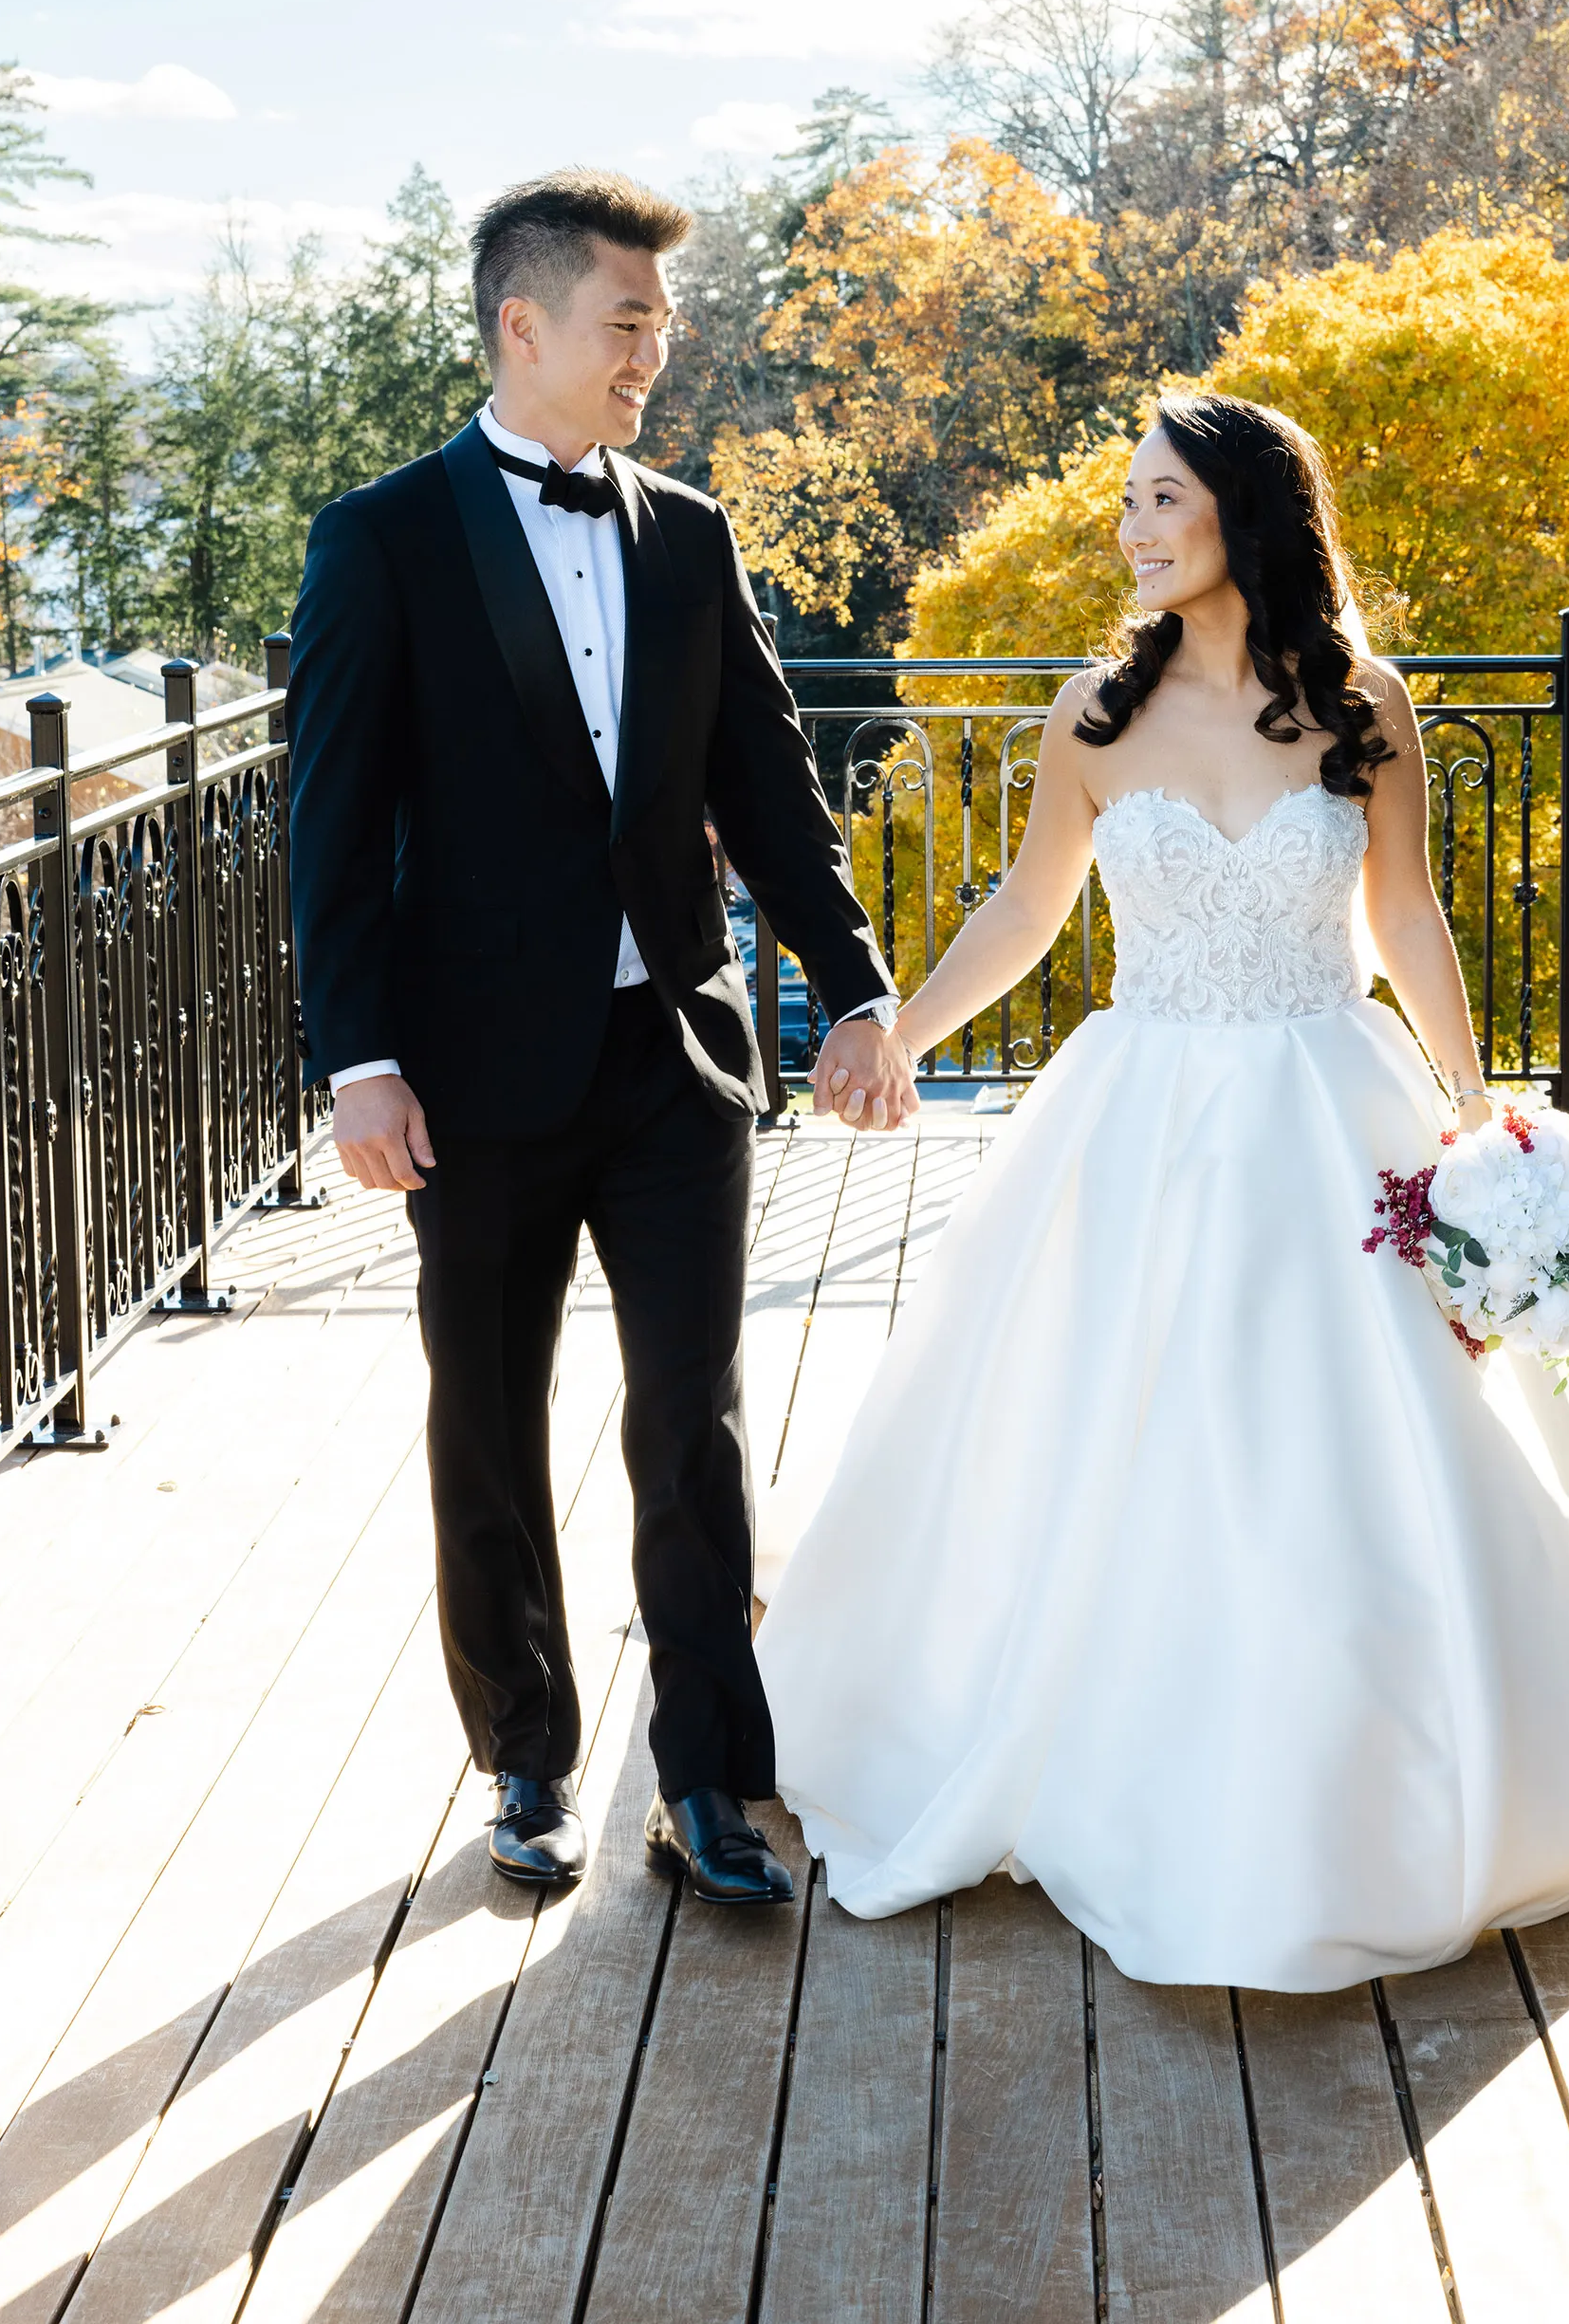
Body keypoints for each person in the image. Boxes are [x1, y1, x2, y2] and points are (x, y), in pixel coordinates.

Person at [758, 393, 1569, 1989]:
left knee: (1355, 1434)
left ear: (1246, 512)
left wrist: (1481, 1121)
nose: (1134, 529)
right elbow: (1029, 914)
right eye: (1130, 503)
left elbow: (1404, 917)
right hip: (1145, 1113)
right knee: (1116, 1418)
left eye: (1164, 498)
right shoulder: (1092, 715)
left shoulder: (1359, 700)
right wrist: (894, 1031)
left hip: (1334, 1101)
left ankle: (1372, 1755)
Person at [286, 167, 917, 1906]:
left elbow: (769, 789)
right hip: (468, 1078)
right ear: (525, 323)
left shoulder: (692, 535)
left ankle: (709, 1776)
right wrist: (359, 1057)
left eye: (664, 321)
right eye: (629, 319)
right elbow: (332, 827)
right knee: (484, 1417)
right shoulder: (384, 538)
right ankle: (526, 1758)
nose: (657, 348)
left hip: (675, 1062)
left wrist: (852, 983)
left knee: (691, 1422)